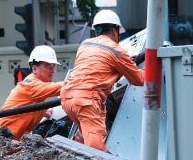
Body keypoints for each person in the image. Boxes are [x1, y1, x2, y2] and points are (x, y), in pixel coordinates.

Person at [60, 10, 143, 151]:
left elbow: (94, 71)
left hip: (67, 99)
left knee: (83, 140)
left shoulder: (85, 45)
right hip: (87, 102)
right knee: (97, 152)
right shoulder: (117, 50)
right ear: (114, 30)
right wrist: (154, 72)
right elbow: (139, 80)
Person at [0, 46, 63, 140]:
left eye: (53, 65)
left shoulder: (37, 88)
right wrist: (81, 80)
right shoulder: (32, 86)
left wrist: (42, 112)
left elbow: (26, 106)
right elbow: (60, 87)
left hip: (6, 138)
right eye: (47, 65)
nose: (52, 69)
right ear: (34, 68)